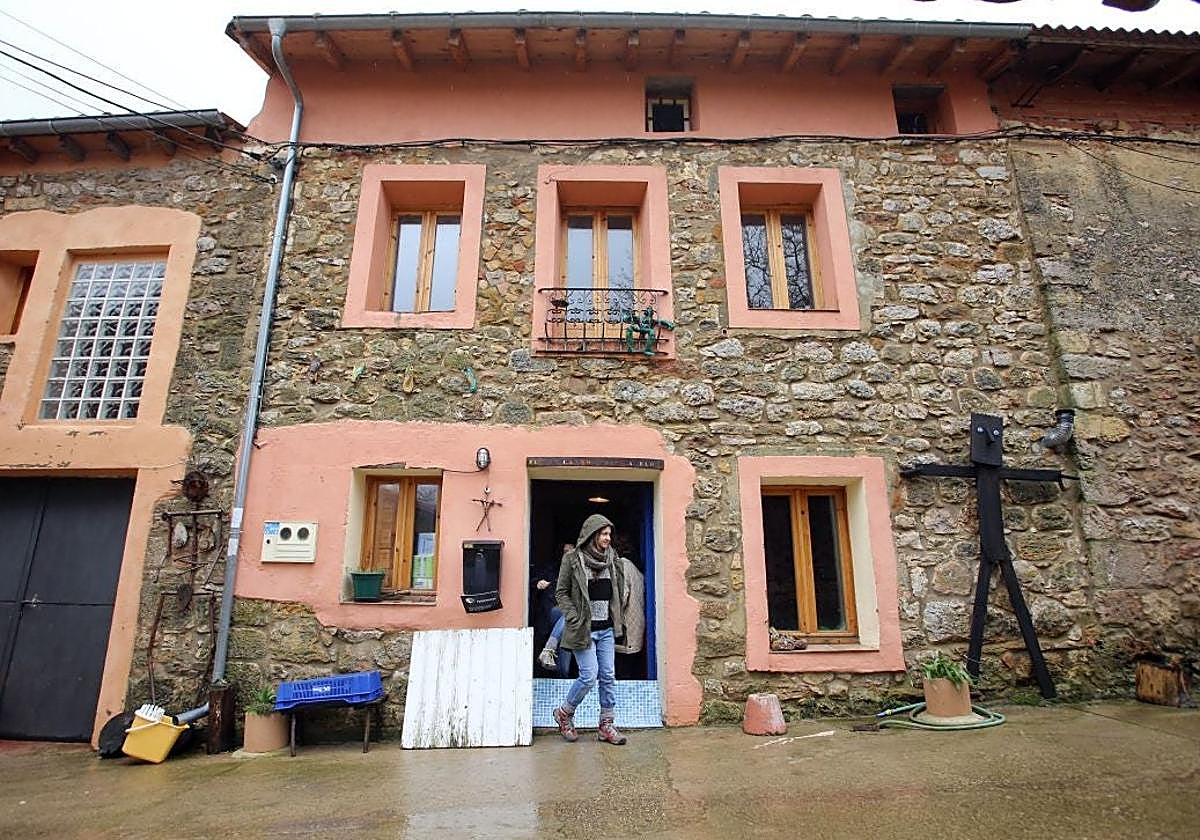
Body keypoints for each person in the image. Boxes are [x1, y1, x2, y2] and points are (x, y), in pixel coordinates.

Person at [551, 514, 628, 745]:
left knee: (608, 675)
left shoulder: (612, 558)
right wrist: (572, 616)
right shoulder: (573, 559)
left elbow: (618, 587)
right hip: (582, 629)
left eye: (609, 534)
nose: (608, 538)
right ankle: (564, 713)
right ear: (593, 535)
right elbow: (561, 592)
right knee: (588, 675)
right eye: (604, 534)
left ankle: (606, 725)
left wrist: (618, 615)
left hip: (605, 628)